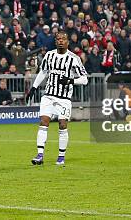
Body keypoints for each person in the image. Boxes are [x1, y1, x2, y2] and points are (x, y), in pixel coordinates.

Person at [26, 31, 88, 166]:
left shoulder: (73, 58)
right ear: (55, 42)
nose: (61, 41)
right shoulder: (49, 55)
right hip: (48, 95)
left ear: (67, 42)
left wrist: (70, 81)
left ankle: (61, 156)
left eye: (63, 39)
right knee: (43, 122)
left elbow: (84, 79)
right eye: (58, 39)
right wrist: (34, 87)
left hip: (64, 98)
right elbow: (43, 72)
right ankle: (40, 155)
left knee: (62, 125)